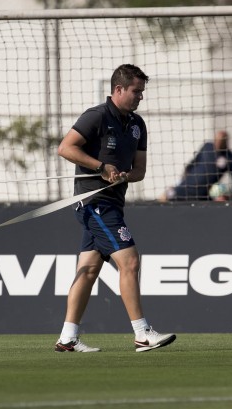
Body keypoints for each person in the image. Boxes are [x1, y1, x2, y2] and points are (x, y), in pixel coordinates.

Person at [54, 64, 176, 353]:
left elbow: (140, 171)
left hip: (114, 203)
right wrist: (101, 166)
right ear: (118, 89)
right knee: (130, 262)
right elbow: (66, 148)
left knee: (88, 270)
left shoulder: (137, 125)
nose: (140, 97)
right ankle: (142, 333)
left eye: (142, 92)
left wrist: (123, 174)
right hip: (93, 202)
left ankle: (67, 338)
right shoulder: (96, 116)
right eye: (136, 91)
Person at [159, 130, 232, 202]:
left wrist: (229, 196)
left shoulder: (230, 158)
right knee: (163, 198)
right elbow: (192, 163)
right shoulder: (207, 146)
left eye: (220, 141)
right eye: (216, 140)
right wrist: (181, 180)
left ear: (226, 142)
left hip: (202, 194)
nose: (217, 143)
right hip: (185, 186)